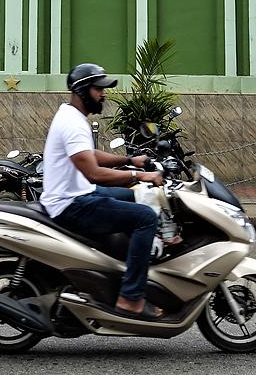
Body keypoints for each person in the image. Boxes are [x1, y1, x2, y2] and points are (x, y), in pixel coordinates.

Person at [40, 62, 165, 320]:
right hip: (72, 204)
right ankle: (130, 298)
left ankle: (128, 265)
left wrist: (130, 160)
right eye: (99, 89)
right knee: (145, 217)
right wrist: (139, 174)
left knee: (138, 196)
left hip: (78, 193)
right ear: (83, 91)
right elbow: (94, 173)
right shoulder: (73, 124)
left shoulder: (71, 115)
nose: (104, 94)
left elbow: (90, 154)